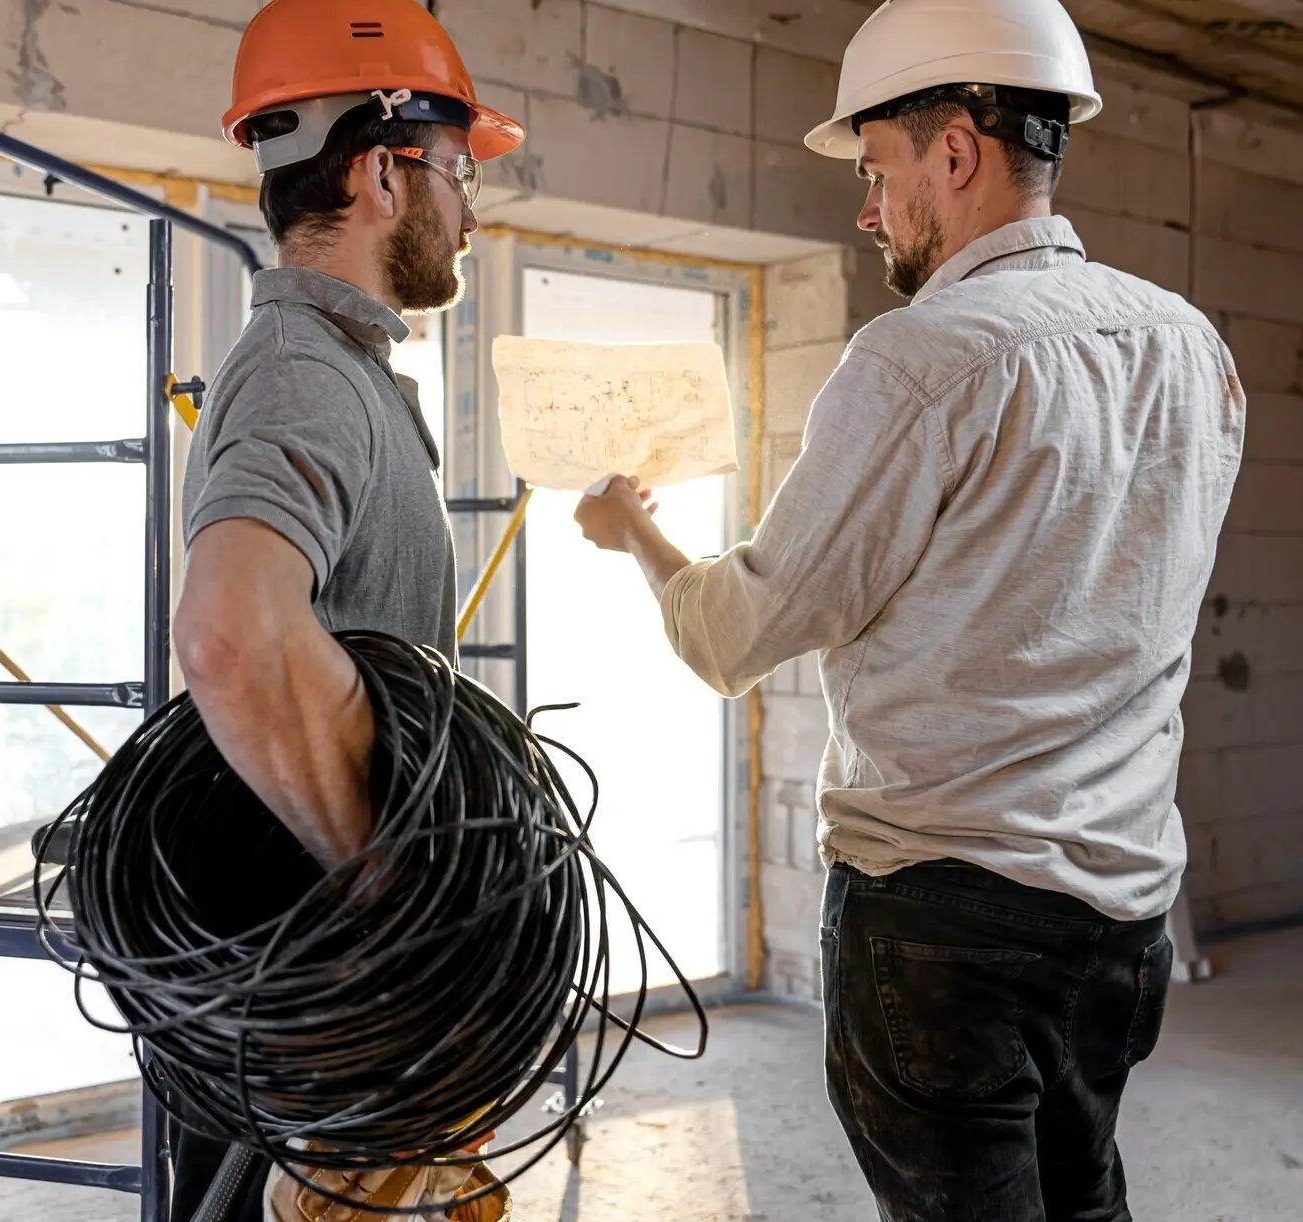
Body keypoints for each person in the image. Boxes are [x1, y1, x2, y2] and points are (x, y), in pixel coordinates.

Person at [573, 0, 1245, 1217]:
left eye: (881, 173)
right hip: (1125, 917)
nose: (869, 211)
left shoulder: (920, 360)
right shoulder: (1192, 348)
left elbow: (736, 635)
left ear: (958, 150)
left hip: (945, 921)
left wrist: (636, 535)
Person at [170, 1, 523, 1218]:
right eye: (462, 173)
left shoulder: (337, 370)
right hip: (306, 973)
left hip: (312, 978)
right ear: (383, 170)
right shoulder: (304, 374)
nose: (473, 211)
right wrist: (386, 885)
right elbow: (230, 631)